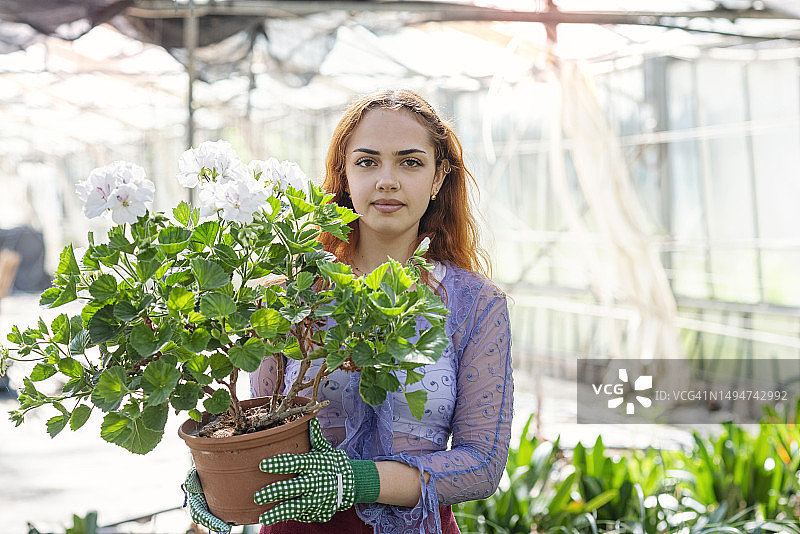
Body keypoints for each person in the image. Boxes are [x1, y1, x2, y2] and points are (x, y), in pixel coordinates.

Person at [188, 89, 514, 534]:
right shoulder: (289, 293)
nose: (387, 180)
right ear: (344, 174)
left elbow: (483, 464)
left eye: (410, 161)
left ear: (439, 178)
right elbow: (255, 424)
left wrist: (358, 480)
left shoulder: (474, 304)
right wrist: (216, 470)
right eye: (367, 161)